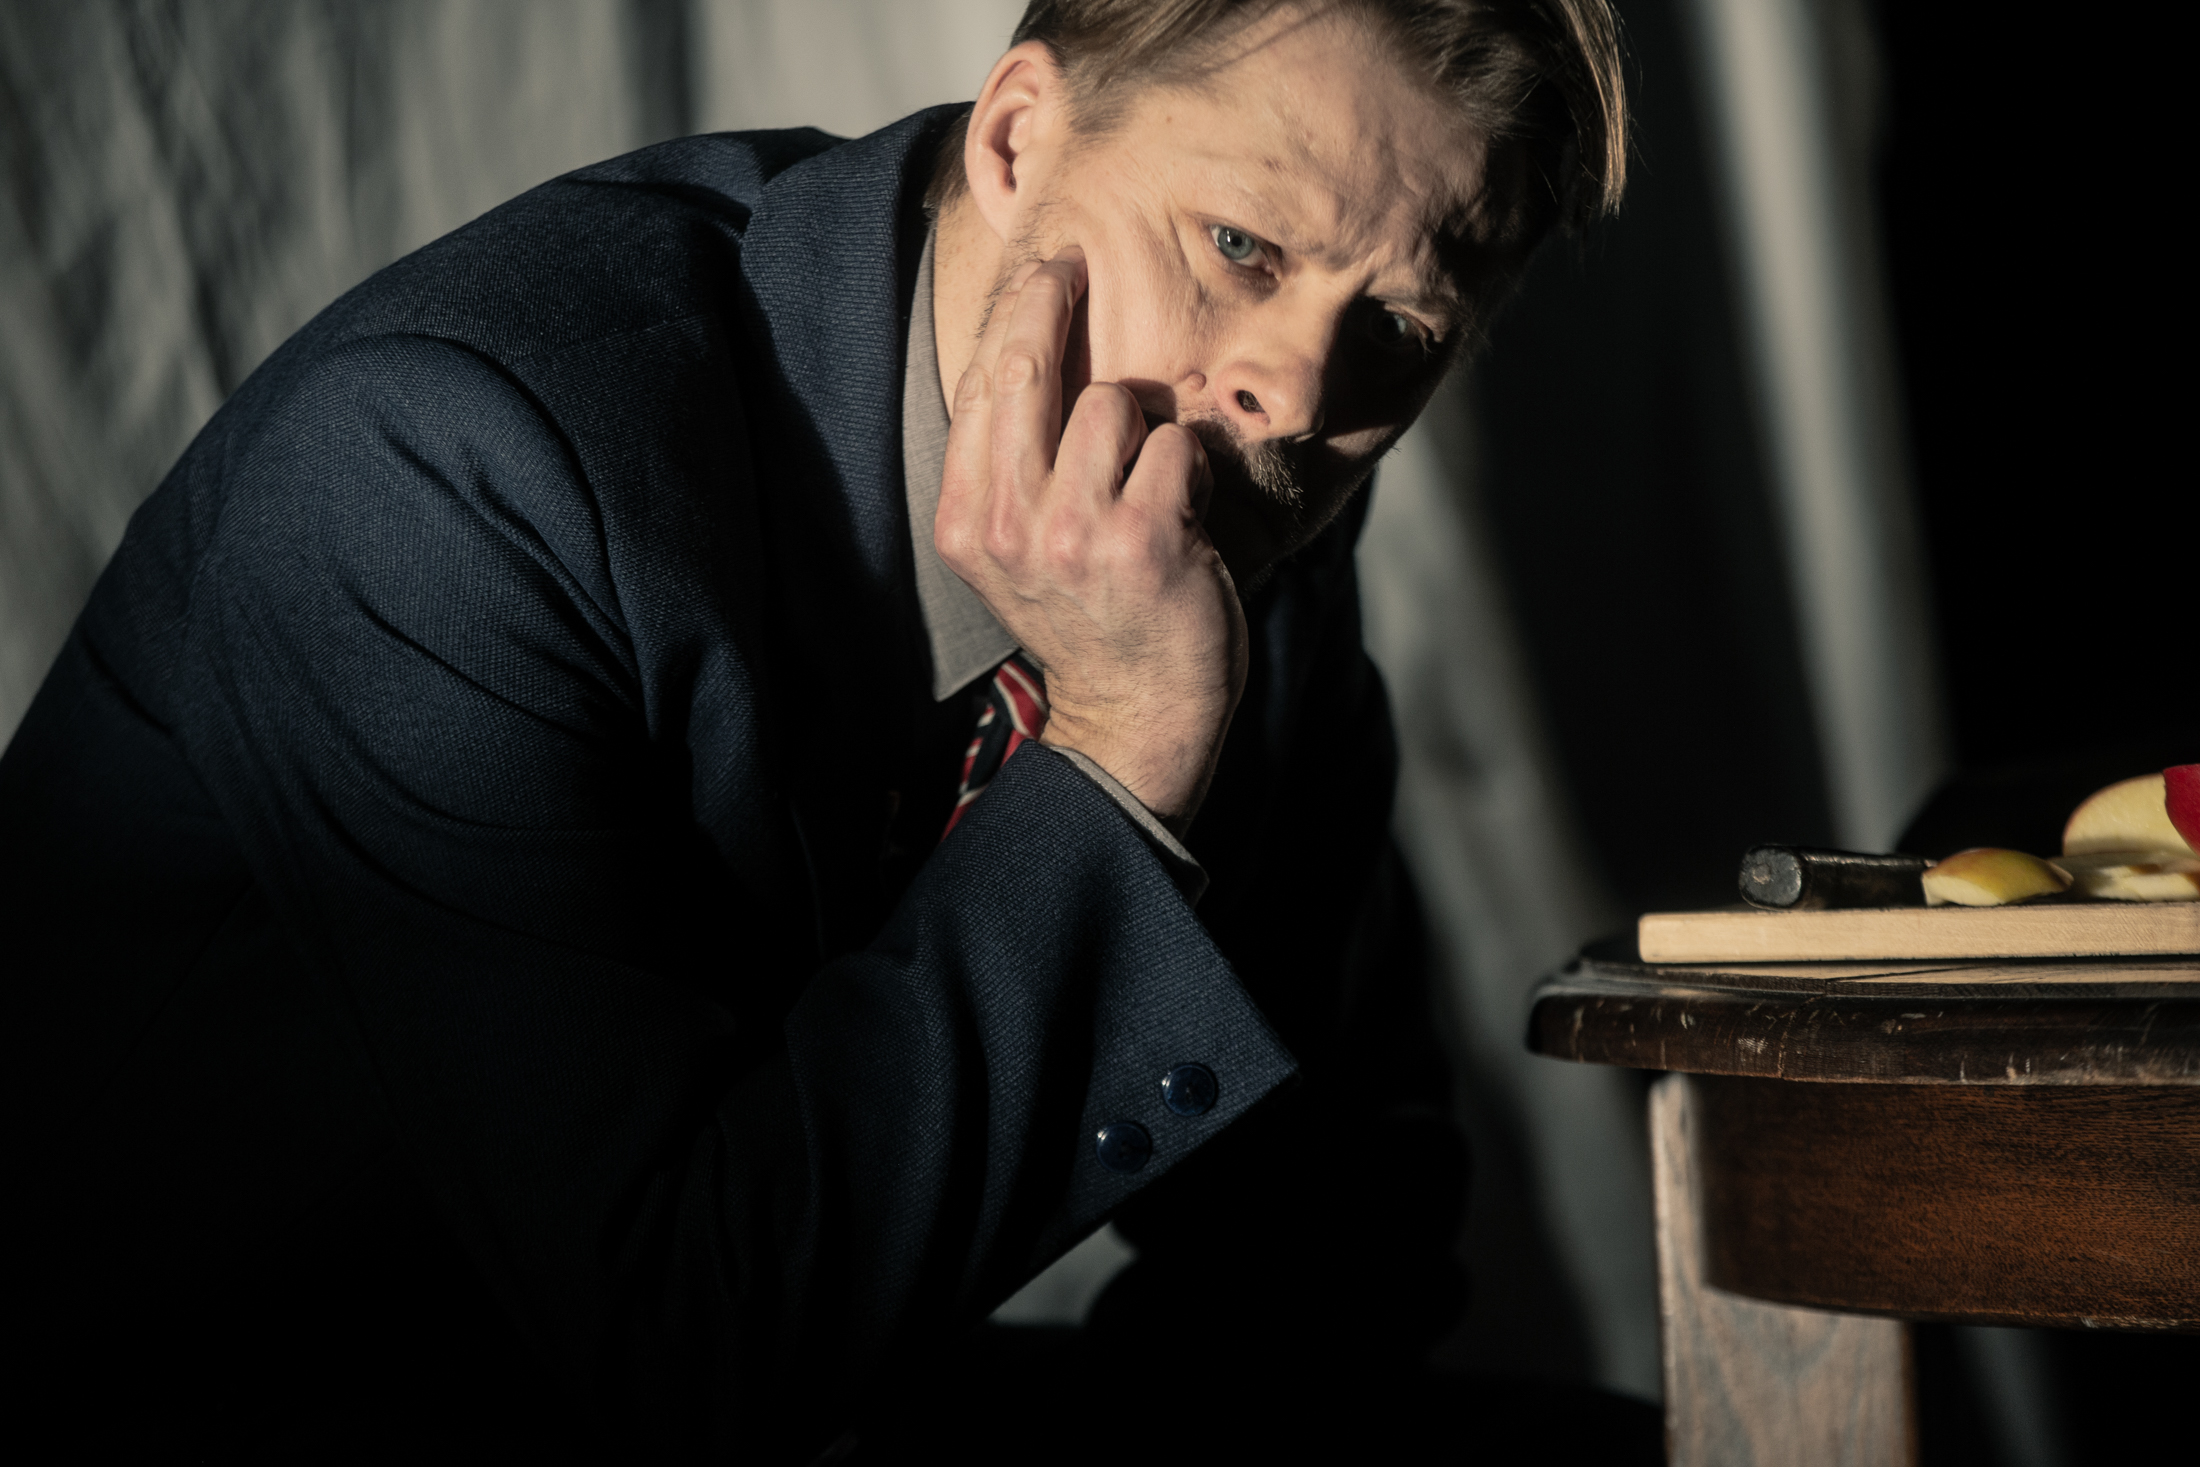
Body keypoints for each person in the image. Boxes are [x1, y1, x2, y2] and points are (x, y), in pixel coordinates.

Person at [4, 1, 1630, 1457]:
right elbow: (688, 1356)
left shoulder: (1228, 480)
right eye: (1243, 247)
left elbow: (1329, 1234)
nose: (1299, 387)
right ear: (1017, 138)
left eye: (1401, 329)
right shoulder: (450, 463)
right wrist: (1126, 752)